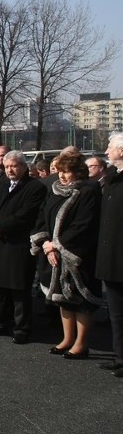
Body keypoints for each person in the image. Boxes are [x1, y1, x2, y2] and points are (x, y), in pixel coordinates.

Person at [30, 150, 103, 360]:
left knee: (81, 301)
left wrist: (58, 246)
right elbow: (42, 217)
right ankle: (67, 338)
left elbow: (84, 224)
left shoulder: (89, 191)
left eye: (67, 172)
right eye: (60, 171)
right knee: (63, 300)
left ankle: (81, 343)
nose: (62, 176)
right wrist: (45, 244)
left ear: (77, 172)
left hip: (77, 256)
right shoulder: (54, 190)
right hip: (53, 255)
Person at [0, 150, 47, 344]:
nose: (10, 169)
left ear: (24, 167)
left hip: (17, 243)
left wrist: (1, 227)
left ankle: (21, 328)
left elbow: (26, 214)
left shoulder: (35, 187)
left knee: (19, 289)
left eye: (14, 166)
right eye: (7, 166)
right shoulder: (1, 184)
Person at [96, 133, 123, 376]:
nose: (106, 151)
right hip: (110, 256)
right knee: (116, 312)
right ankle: (119, 356)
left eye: (109, 147)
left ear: (121, 151)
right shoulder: (112, 179)